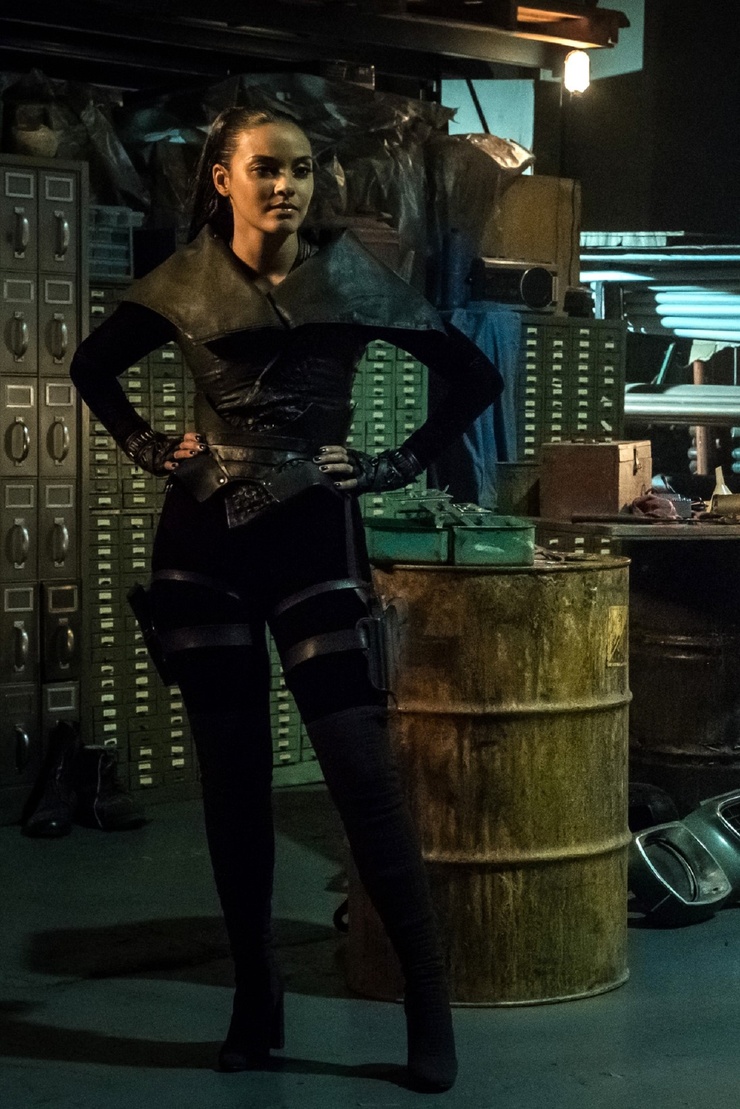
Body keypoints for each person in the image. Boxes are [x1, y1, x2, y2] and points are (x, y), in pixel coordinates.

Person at [70, 106, 503, 1093]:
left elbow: (472, 378)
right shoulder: (183, 280)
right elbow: (92, 365)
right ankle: (254, 997)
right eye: (266, 168)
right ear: (222, 178)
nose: (287, 186)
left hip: (314, 538)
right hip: (201, 545)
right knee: (233, 783)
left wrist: (390, 463)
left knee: (361, 774)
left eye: (302, 170)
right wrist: (149, 445)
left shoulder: (351, 278)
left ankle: (426, 1002)